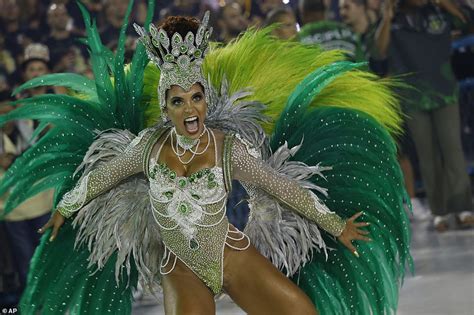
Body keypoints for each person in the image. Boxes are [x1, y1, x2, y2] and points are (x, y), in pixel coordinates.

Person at [1, 5, 411, 315]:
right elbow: (102, 177)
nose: (190, 109)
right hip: (181, 268)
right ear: (166, 107)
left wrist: (336, 226)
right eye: (179, 101)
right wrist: (66, 207)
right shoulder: (146, 148)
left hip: (233, 256)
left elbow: (282, 187)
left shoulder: (227, 147)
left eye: (196, 97)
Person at [375, 0, 473, 231]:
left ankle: (463, 207)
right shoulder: (394, 19)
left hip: (445, 91)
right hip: (413, 97)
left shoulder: (437, 11)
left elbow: (467, 21)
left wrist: (443, 3)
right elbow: (378, 54)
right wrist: (386, 18)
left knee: (453, 150)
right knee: (427, 155)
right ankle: (439, 211)